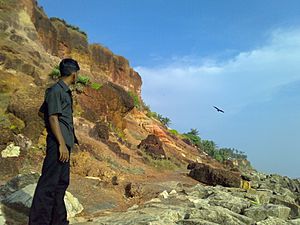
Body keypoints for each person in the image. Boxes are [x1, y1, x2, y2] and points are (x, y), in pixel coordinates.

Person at [28, 58, 80, 225]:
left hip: (63, 144)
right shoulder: (55, 90)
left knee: (61, 184)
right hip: (58, 145)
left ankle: (58, 221)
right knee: (48, 185)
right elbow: (51, 117)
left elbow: (42, 112)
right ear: (73, 74)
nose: (77, 76)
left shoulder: (63, 92)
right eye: (77, 73)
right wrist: (61, 143)